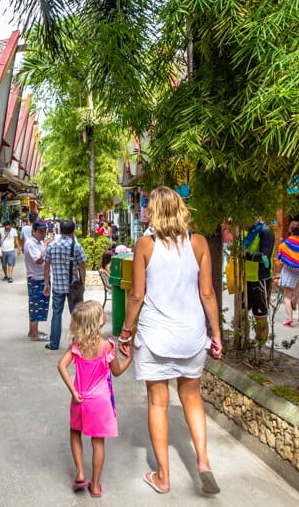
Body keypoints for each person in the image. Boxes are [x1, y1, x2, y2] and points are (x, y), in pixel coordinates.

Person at [118, 186, 223, 496]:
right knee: (192, 396)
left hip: (155, 337)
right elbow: (208, 293)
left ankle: (163, 477)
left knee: (157, 402)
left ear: (154, 212)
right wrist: (216, 334)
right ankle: (203, 462)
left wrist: (125, 331)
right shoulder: (199, 243)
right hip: (192, 335)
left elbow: (136, 295)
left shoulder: (145, 246)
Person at [56, 301, 132, 498]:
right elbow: (115, 372)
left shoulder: (77, 346)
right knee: (98, 443)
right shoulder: (107, 346)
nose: (103, 317)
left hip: (80, 399)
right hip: (100, 403)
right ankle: (96, 486)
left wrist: (73, 391)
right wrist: (129, 359)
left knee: (75, 433)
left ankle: (80, 472)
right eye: (101, 314)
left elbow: (61, 366)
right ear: (97, 322)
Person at [43, 220, 87, 351]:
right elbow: (82, 266)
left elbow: (46, 267)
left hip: (57, 286)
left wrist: (46, 283)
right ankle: (78, 344)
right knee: (76, 314)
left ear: (59, 231)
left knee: (56, 313)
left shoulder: (52, 246)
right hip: (73, 286)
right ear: (73, 231)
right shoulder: (76, 246)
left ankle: (54, 343)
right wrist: (83, 283)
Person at [244, 218, 275, 342]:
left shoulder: (265, 231)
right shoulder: (244, 232)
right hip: (244, 278)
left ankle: (261, 344)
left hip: (260, 278)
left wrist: (245, 255)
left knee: (260, 315)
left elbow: (264, 256)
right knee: (242, 312)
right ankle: (244, 341)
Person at [276, 221, 299, 327]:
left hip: (289, 272)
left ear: (290, 230)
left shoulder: (286, 243)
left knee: (287, 296)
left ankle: (289, 318)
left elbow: (281, 258)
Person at [24, 220, 51, 341]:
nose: (43, 234)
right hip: (36, 278)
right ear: (33, 232)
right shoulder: (31, 243)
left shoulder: (38, 242)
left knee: (40, 306)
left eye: (44, 231)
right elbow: (39, 260)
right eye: (40, 231)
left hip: (40, 277)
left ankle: (33, 330)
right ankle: (34, 333)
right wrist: (47, 247)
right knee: (36, 305)